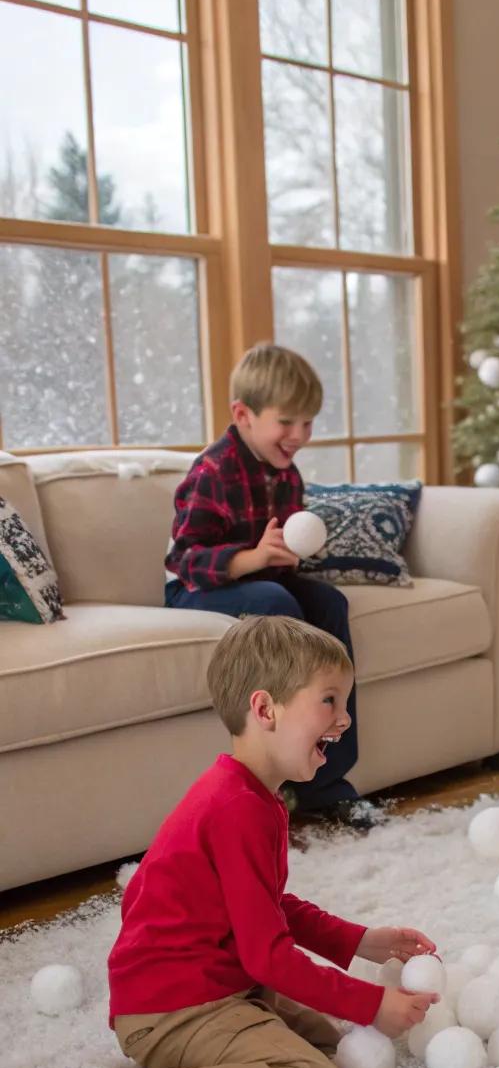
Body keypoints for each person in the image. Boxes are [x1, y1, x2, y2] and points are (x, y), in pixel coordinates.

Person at [18, 617, 438, 1068]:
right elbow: (266, 954)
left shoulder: (254, 798)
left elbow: (271, 908)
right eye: (329, 702)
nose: (344, 720)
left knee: (322, 1037)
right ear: (265, 708)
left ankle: (232, 1057)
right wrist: (371, 1002)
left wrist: (359, 940)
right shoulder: (235, 808)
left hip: (216, 982)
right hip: (170, 1007)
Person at [164, 341, 358, 814]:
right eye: (286, 422)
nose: (299, 435)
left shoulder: (287, 474)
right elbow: (186, 558)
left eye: (308, 422)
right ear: (243, 414)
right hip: (195, 591)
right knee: (277, 605)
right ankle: (277, 767)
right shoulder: (213, 471)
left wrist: (290, 554)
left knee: (329, 603)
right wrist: (251, 559)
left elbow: (281, 551)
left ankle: (327, 781)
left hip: (261, 581)